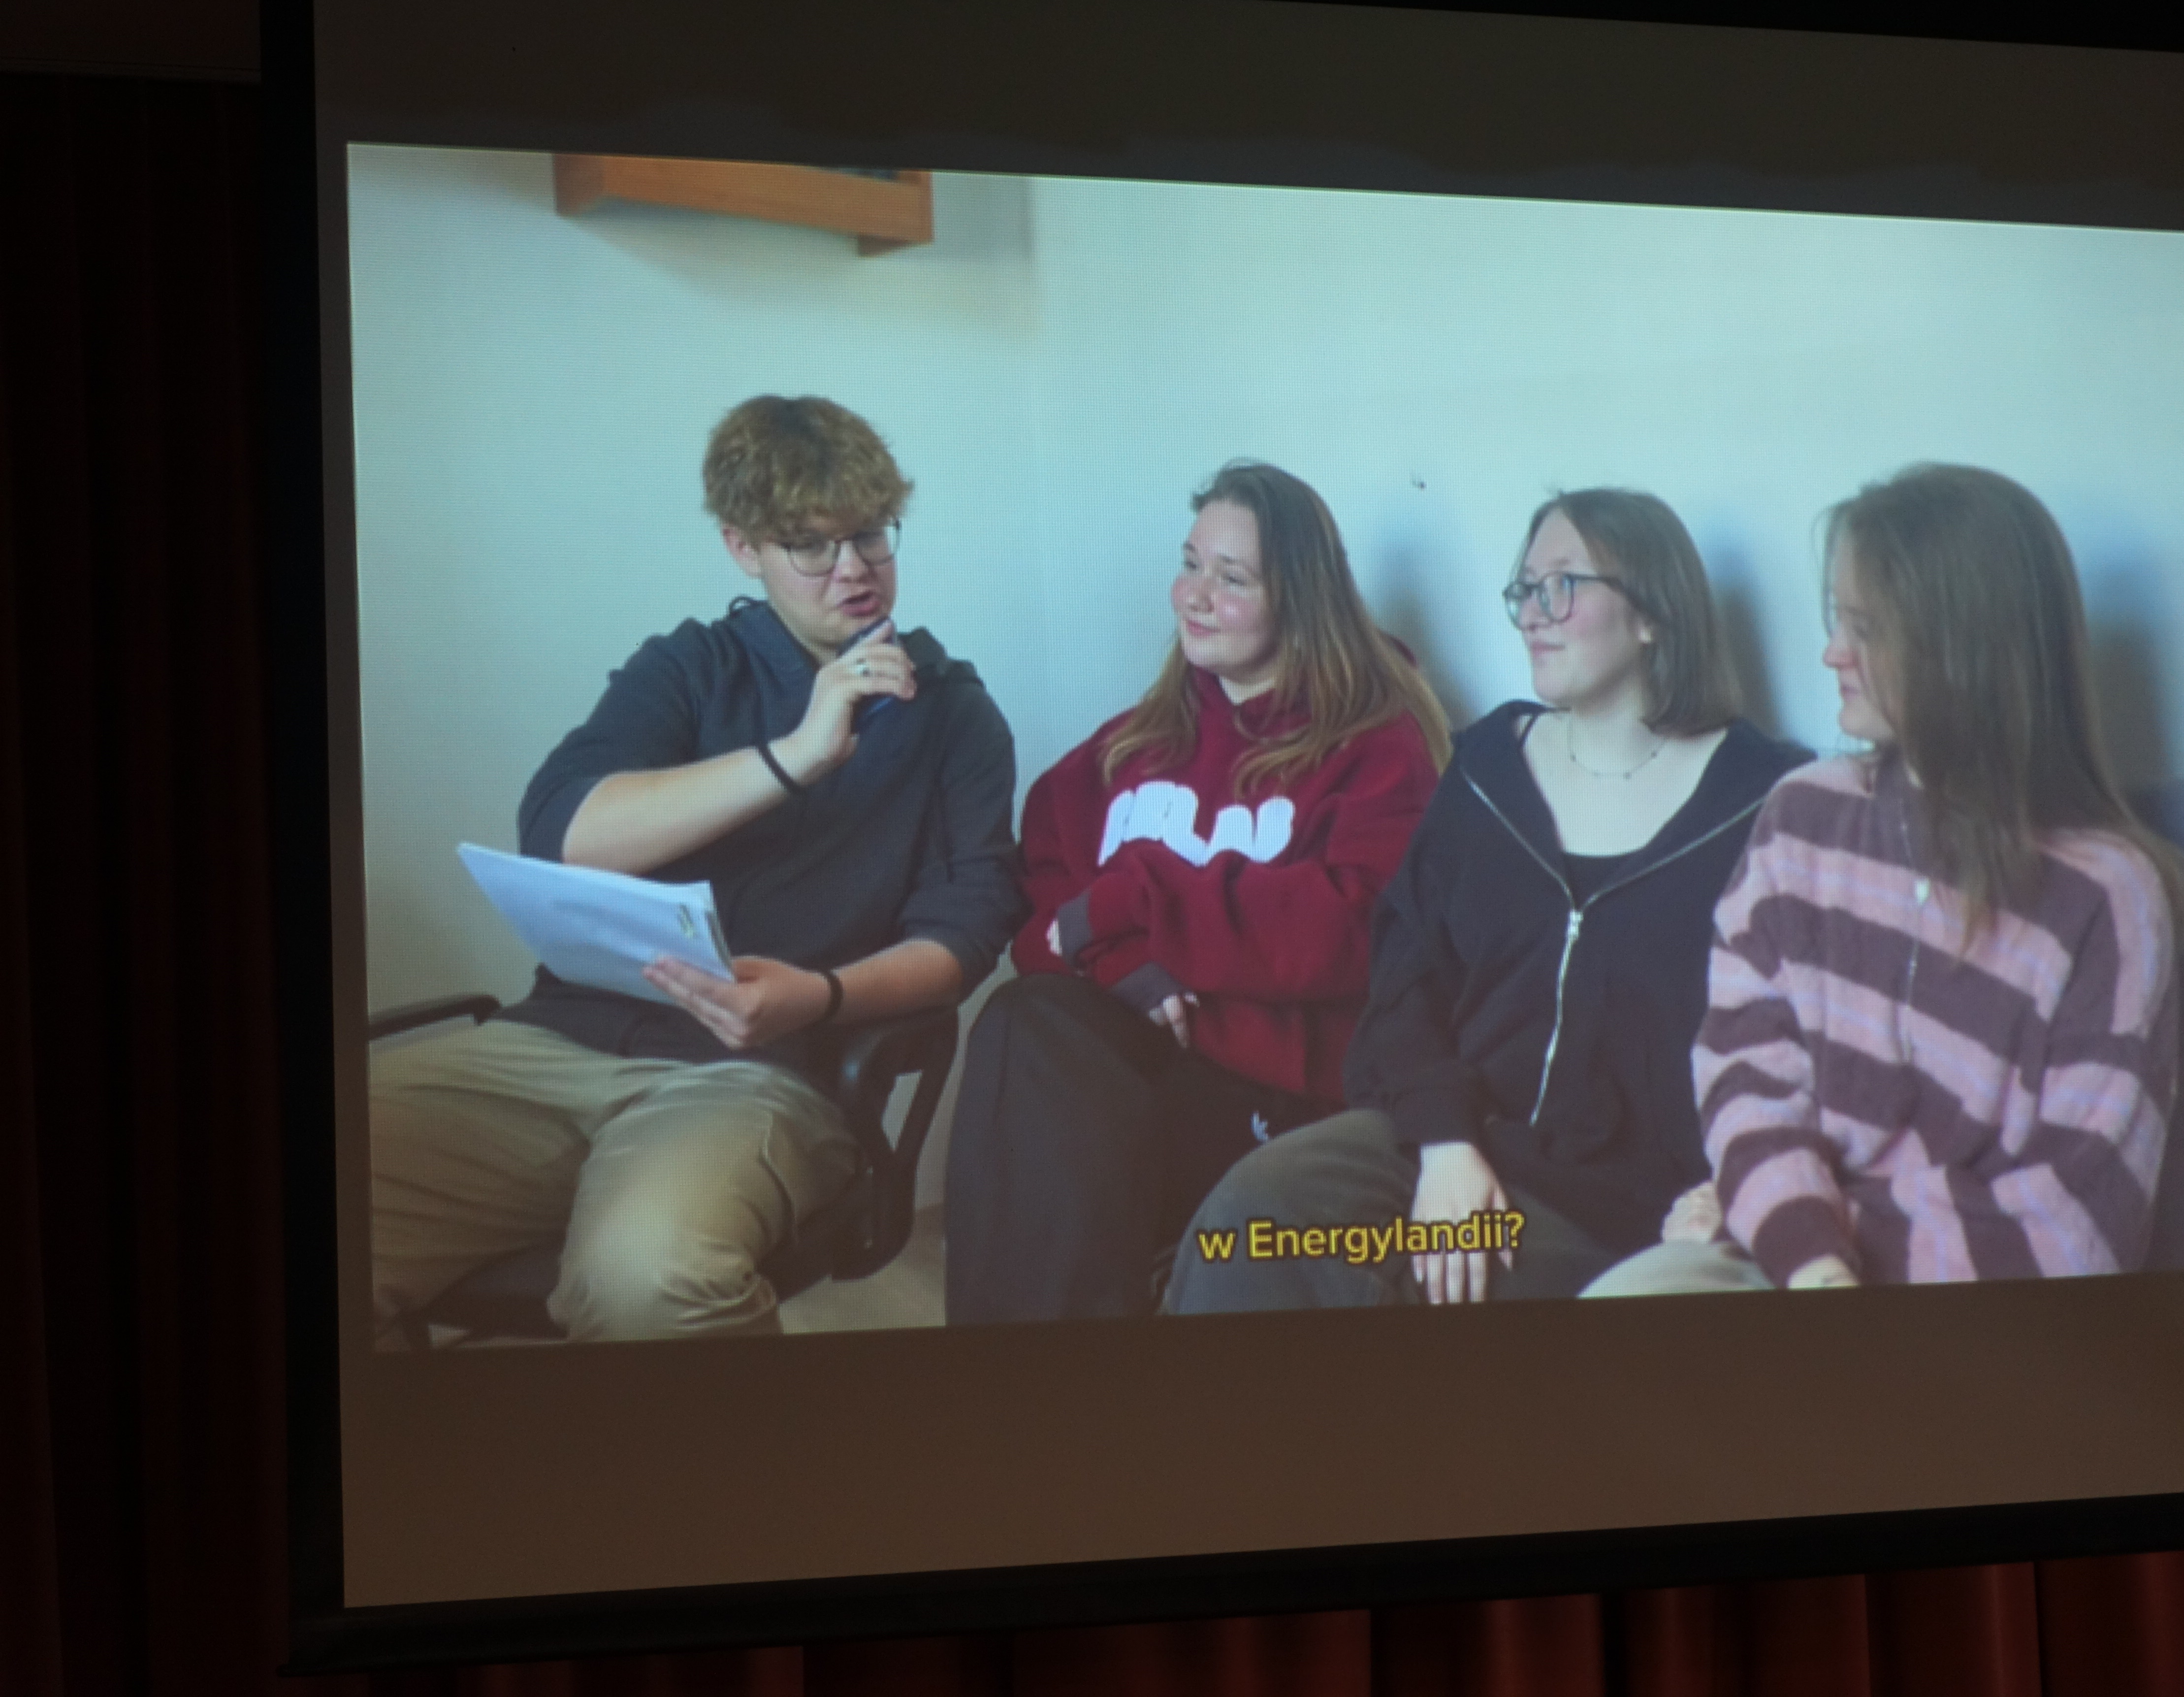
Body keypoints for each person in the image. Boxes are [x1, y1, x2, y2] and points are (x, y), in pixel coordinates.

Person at [370, 395, 1026, 1343]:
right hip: (555, 1041)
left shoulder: (954, 715)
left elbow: (965, 933)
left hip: (755, 1074)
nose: (854, 568)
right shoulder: (688, 667)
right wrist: (794, 757)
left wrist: (819, 998)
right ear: (742, 548)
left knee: (649, 1278)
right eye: (811, 545)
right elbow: (560, 831)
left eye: (871, 535)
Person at [1166, 488, 1810, 1312]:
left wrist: (1735, 1186)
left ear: (1654, 613)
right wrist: (1447, 1144)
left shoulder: (1766, 804)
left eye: (1562, 586)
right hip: (1439, 1140)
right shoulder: (1489, 769)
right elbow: (1404, 979)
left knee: (1412, 1281)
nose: (1533, 614)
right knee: (1246, 1222)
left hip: (1612, 1201)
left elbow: (1809, 1038)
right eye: (1524, 589)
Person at [1588, 463, 2184, 1296]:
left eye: (1865, 629)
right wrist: (1806, 1254)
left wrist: (1800, 1226)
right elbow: (1744, 1074)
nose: (1832, 653)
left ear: (1960, 651)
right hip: (1786, 1260)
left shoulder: (2109, 899)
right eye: (1838, 619)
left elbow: (2079, 1227)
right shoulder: (1802, 815)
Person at [943, 461, 1448, 1324]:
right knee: (1025, 1022)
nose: (1194, 597)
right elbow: (1049, 889)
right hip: (1131, 1069)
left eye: (1233, 578)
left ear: (1302, 600)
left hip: (1270, 1090)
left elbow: (1353, 930)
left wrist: (1140, 901)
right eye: (1190, 564)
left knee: (1048, 1084)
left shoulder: (1375, 747)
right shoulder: (1137, 741)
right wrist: (1125, 966)